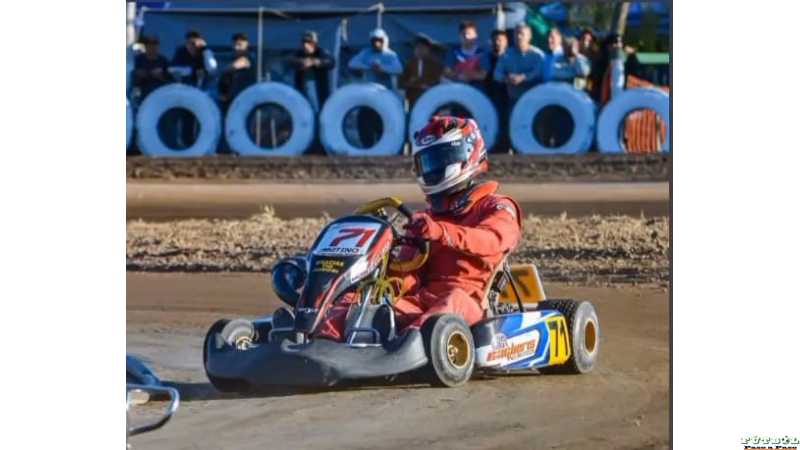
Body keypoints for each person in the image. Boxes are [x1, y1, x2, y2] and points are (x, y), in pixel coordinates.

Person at [316, 116, 523, 340]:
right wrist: (388, 275)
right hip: (422, 302)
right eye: (427, 162)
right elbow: (408, 272)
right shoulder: (427, 219)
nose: (432, 168)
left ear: (467, 154)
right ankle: (320, 342)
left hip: (470, 304)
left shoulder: (497, 206)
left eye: (440, 159)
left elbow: (493, 240)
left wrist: (442, 232)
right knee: (356, 301)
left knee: (448, 304)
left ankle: (410, 344)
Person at [348, 28, 402, 147]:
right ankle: (367, 146)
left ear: (384, 41)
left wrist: (383, 69)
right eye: (374, 41)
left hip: (384, 95)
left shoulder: (390, 55)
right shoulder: (366, 53)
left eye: (379, 40)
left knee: (382, 121)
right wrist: (369, 66)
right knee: (364, 120)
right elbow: (352, 63)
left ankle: (383, 146)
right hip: (368, 94)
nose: (377, 43)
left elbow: (398, 69)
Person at [493, 23, 545, 103]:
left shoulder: (538, 55)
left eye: (522, 34)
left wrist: (523, 77)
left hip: (534, 100)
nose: (519, 37)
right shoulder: (506, 54)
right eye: (516, 33)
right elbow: (496, 74)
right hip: (512, 99)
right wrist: (506, 78)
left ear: (529, 36)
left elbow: (539, 73)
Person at [288, 31, 335, 113]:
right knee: (302, 108)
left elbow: (331, 62)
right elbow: (290, 60)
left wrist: (314, 62)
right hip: (302, 86)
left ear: (315, 43)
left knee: (319, 109)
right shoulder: (299, 53)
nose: (306, 45)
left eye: (309, 42)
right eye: (304, 42)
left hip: (318, 88)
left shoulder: (321, 52)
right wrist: (301, 62)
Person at [482, 29, 511, 152]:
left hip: (507, 94)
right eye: (494, 40)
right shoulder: (486, 57)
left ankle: (505, 146)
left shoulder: (510, 56)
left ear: (506, 42)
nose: (497, 43)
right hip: (490, 93)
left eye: (500, 40)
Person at [399, 36, 444, 108]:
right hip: (413, 97)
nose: (419, 50)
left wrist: (427, 84)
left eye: (421, 48)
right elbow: (401, 82)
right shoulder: (410, 63)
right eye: (417, 48)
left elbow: (438, 80)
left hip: (430, 97)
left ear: (427, 49)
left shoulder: (435, 64)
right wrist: (412, 83)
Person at [442, 20, 488, 88]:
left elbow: (483, 75)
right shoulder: (453, 51)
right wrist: (458, 75)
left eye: (469, 34)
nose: (466, 37)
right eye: (463, 34)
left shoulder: (482, 53)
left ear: (475, 35)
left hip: (475, 89)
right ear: (459, 36)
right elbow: (447, 71)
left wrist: (468, 75)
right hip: (456, 88)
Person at [217, 33, 256, 111]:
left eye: (239, 45)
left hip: (242, 100)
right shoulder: (233, 58)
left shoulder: (246, 58)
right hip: (231, 100)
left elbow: (233, 66)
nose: (236, 48)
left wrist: (222, 70)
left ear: (246, 44)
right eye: (234, 45)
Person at [132, 36, 171, 100]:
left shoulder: (163, 60)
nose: (152, 47)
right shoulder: (139, 59)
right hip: (143, 93)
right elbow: (134, 76)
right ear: (146, 46)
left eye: (154, 44)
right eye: (149, 44)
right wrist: (143, 74)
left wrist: (161, 75)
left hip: (160, 92)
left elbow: (169, 78)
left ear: (158, 46)